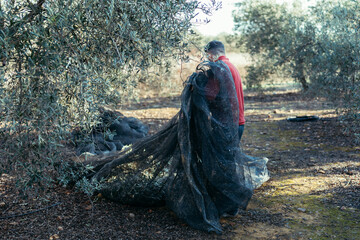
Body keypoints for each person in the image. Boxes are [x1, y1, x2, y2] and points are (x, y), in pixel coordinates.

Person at [204, 40, 245, 141]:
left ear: (213, 54)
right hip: (238, 122)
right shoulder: (230, 66)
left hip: (226, 124)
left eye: (208, 55)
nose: (207, 58)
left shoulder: (218, 67)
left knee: (219, 157)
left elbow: (209, 95)